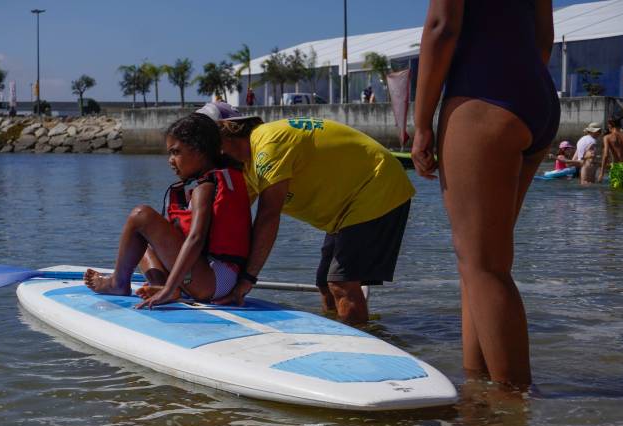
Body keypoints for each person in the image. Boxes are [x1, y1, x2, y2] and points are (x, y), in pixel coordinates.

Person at [411, 0, 560, 387]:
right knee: (476, 264)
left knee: (484, 266)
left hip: (481, 97)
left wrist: (422, 122)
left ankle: (512, 414)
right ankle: (476, 389)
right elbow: (544, 37)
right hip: (535, 94)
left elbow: (443, 27)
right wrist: (517, 80)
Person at [199, 102, 415, 325]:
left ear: (225, 132)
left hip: (377, 185)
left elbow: (268, 217)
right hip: (348, 206)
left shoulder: (267, 143)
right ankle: (342, 329)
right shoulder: (247, 164)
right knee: (325, 283)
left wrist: (246, 279)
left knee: (342, 283)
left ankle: (360, 343)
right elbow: (232, 218)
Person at [84, 112, 251, 308]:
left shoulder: (204, 188)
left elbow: (196, 239)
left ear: (199, 150)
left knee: (141, 215)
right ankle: (160, 285)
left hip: (210, 282)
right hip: (220, 279)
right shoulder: (219, 179)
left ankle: (119, 283)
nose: (170, 160)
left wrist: (168, 290)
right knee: (140, 244)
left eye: (176, 152)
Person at [598, 117, 623, 185]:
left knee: (614, 193)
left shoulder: (607, 137)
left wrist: (601, 173)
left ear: (610, 125)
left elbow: (606, 155)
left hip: (618, 167)